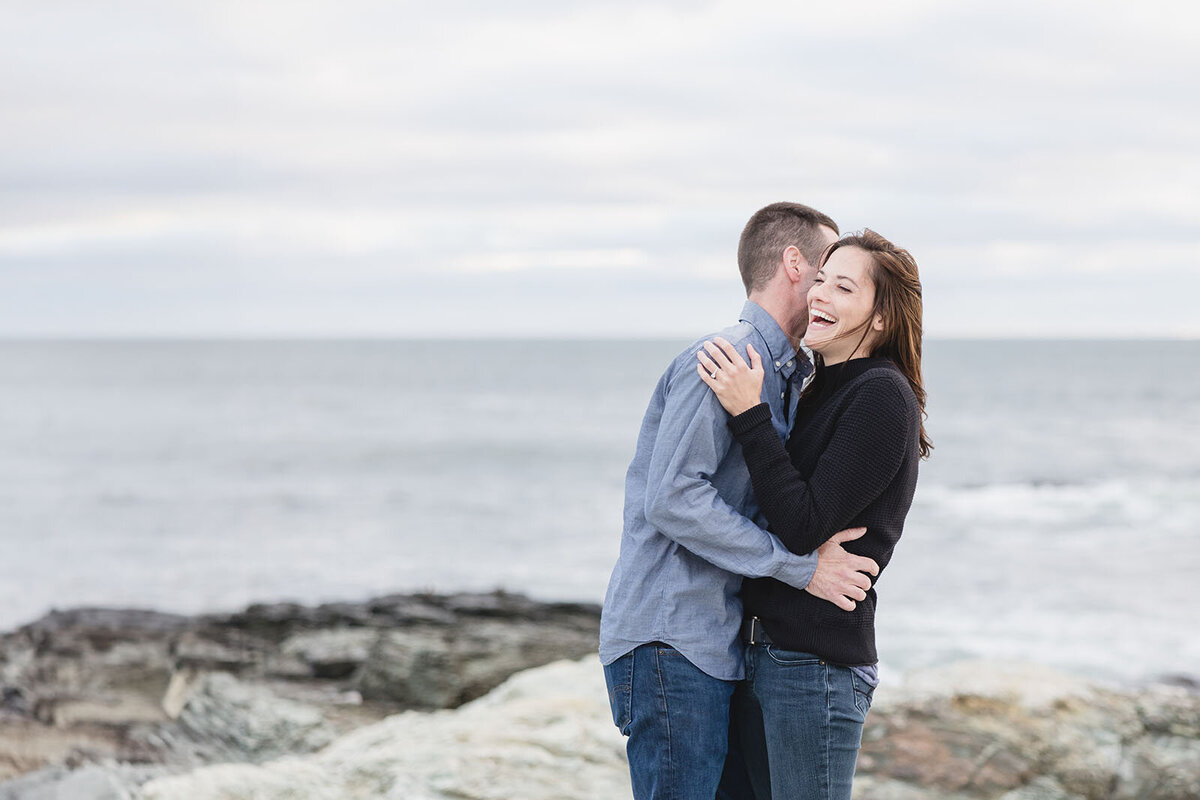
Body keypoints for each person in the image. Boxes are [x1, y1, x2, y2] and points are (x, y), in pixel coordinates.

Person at [599, 203, 883, 800]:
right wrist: (799, 569)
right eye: (827, 271)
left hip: (717, 643)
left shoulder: (786, 376)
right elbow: (673, 499)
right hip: (670, 637)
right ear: (794, 265)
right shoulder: (726, 358)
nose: (830, 290)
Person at [696, 228, 930, 799]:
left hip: (814, 667)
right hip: (764, 655)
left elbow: (802, 526)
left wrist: (749, 413)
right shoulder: (818, 388)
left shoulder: (880, 394)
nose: (820, 295)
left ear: (879, 319)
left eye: (844, 287)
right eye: (820, 279)